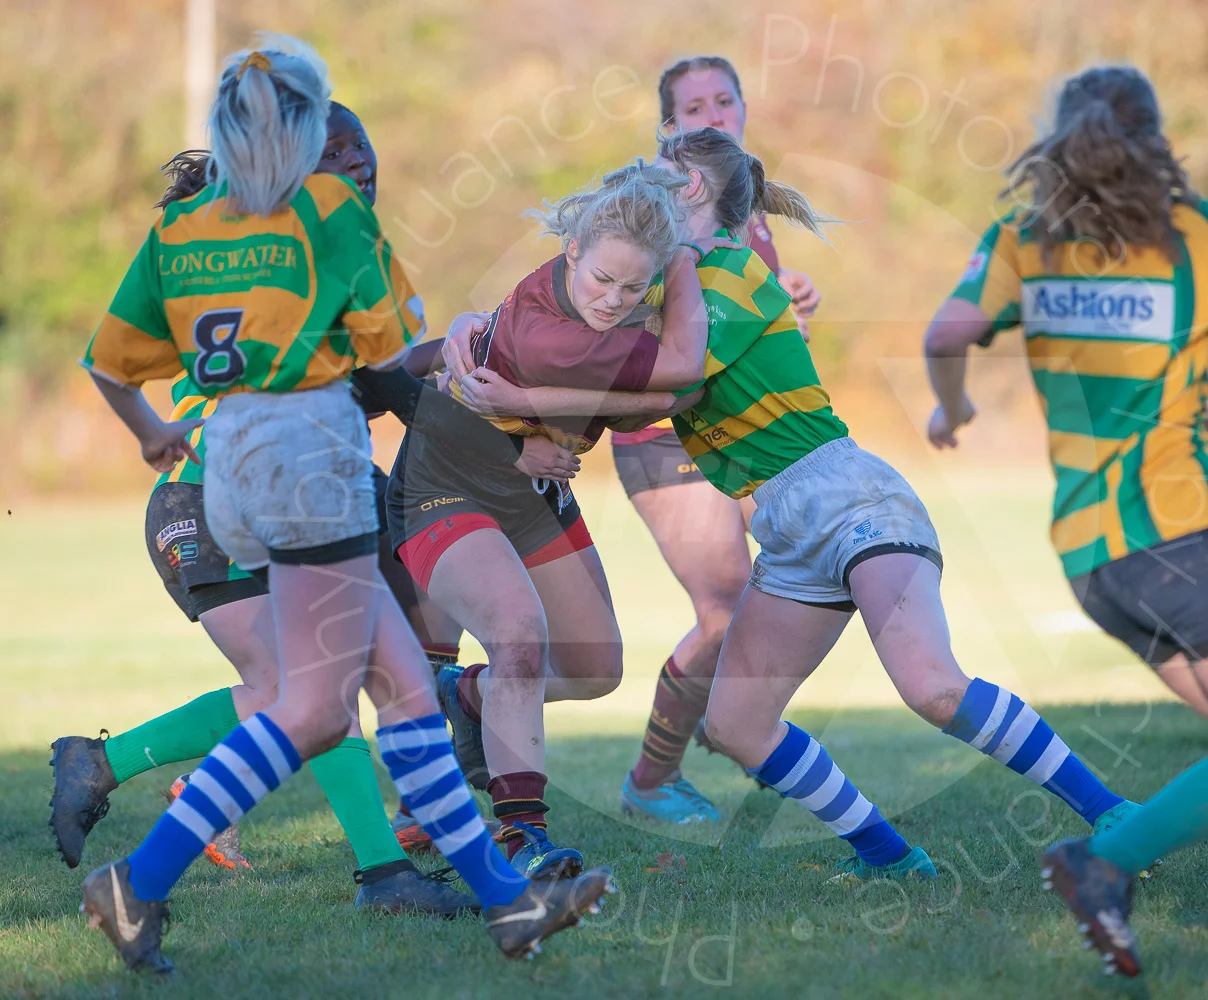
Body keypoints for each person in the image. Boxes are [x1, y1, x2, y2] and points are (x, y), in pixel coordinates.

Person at [450, 127, 1139, 885]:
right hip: (783, 521)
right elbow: (555, 317)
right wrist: (470, 329)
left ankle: (1114, 814)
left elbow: (668, 385)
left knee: (932, 688)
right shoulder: (658, 286)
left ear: (689, 194)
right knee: (737, 725)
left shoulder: (733, 273)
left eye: (662, 176)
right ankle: (889, 857)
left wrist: (521, 396)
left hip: (847, 497)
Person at [75, 35, 610, 975]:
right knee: (316, 710)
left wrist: (154, 432)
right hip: (312, 460)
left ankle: (505, 904)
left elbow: (108, 361)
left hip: (231, 461)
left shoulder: (184, 229)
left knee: (403, 686)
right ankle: (136, 883)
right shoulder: (327, 212)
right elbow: (392, 343)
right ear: (309, 130)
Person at [922, 66, 1208, 989]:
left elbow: (943, 335)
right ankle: (1105, 862)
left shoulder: (1022, 239)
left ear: (1060, 143)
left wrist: (950, 412)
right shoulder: (1187, 236)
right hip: (1179, 537)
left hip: (1094, 560)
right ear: (1153, 142)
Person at [49, 101, 493, 917]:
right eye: (334, 159)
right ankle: (392, 874)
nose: (357, 169)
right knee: (305, 692)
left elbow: (372, 378)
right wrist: (476, 386)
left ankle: (105, 773)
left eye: (363, 153)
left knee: (298, 696)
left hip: (279, 494)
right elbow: (378, 380)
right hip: (217, 504)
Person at [382, 161, 734, 877]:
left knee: (596, 668)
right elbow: (684, 368)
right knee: (516, 635)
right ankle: (522, 836)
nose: (614, 300)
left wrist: (531, 409)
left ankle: (463, 695)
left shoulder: (610, 293)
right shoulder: (557, 337)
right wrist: (685, 264)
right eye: (602, 280)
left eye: (635, 287)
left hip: (531, 493)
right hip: (444, 486)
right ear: (571, 251)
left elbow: (672, 393)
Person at [611, 56, 822, 823]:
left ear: (743, 107)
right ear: (665, 129)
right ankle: (652, 779)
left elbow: (725, 306)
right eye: (691, 107)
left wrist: (788, 292)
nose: (710, 115)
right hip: (662, 432)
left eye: (723, 100)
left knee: (800, 591)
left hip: (735, 435)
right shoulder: (650, 213)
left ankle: (737, 728)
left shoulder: (745, 207)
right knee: (727, 606)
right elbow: (647, 326)